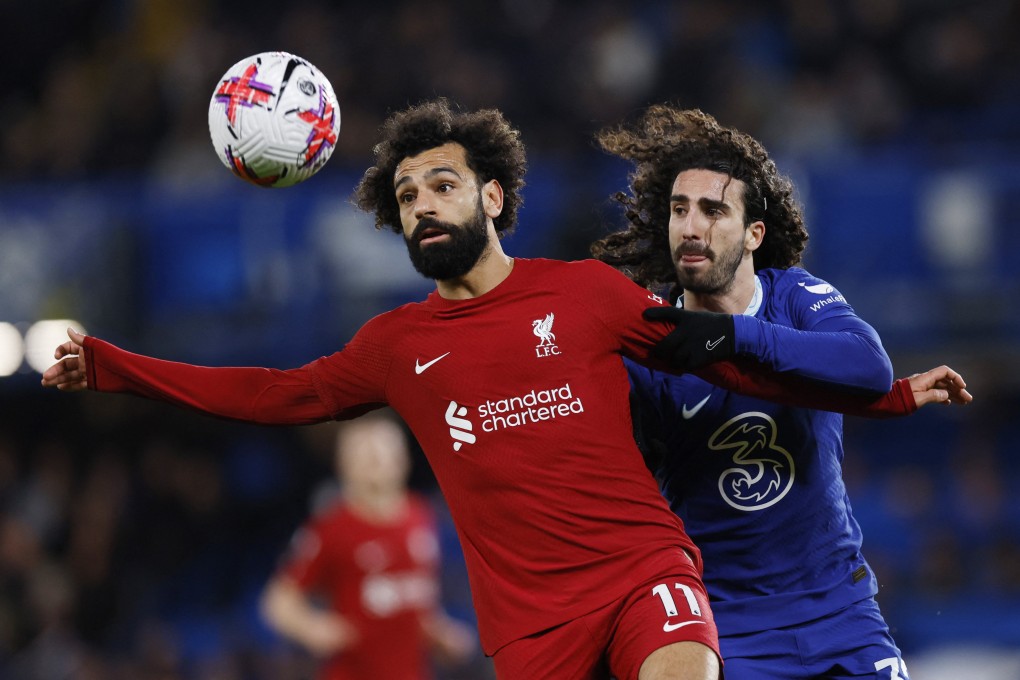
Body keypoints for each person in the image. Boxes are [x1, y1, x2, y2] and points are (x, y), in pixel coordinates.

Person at [42, 98, 954, 680]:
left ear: (493, 198)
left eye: (443, 184)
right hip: (528, 631)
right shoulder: (394, 346)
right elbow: (276, 394)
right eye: (406, 197)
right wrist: (118, 368)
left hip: (651, 577)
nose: (423, 205)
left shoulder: (591, 295)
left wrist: (889, 397)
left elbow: (733, 363)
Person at [591, 104, 973, 679]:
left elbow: (868, 365)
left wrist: (732, 337)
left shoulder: (794, 295)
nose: (691, 227)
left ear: (753, 233)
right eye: (678, 210)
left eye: (713, 210)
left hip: (841, 612)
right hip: (727, 626)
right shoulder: (650, 346)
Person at [260, 409, 477, 680]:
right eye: (364, 453)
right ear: (344, 464)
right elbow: (278, 601)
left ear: (403, 459)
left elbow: (419, 598)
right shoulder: (330, 528)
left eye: (383, 451)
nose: (375, 459)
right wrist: (312, 628)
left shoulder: (422, 516)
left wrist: (440, 632)